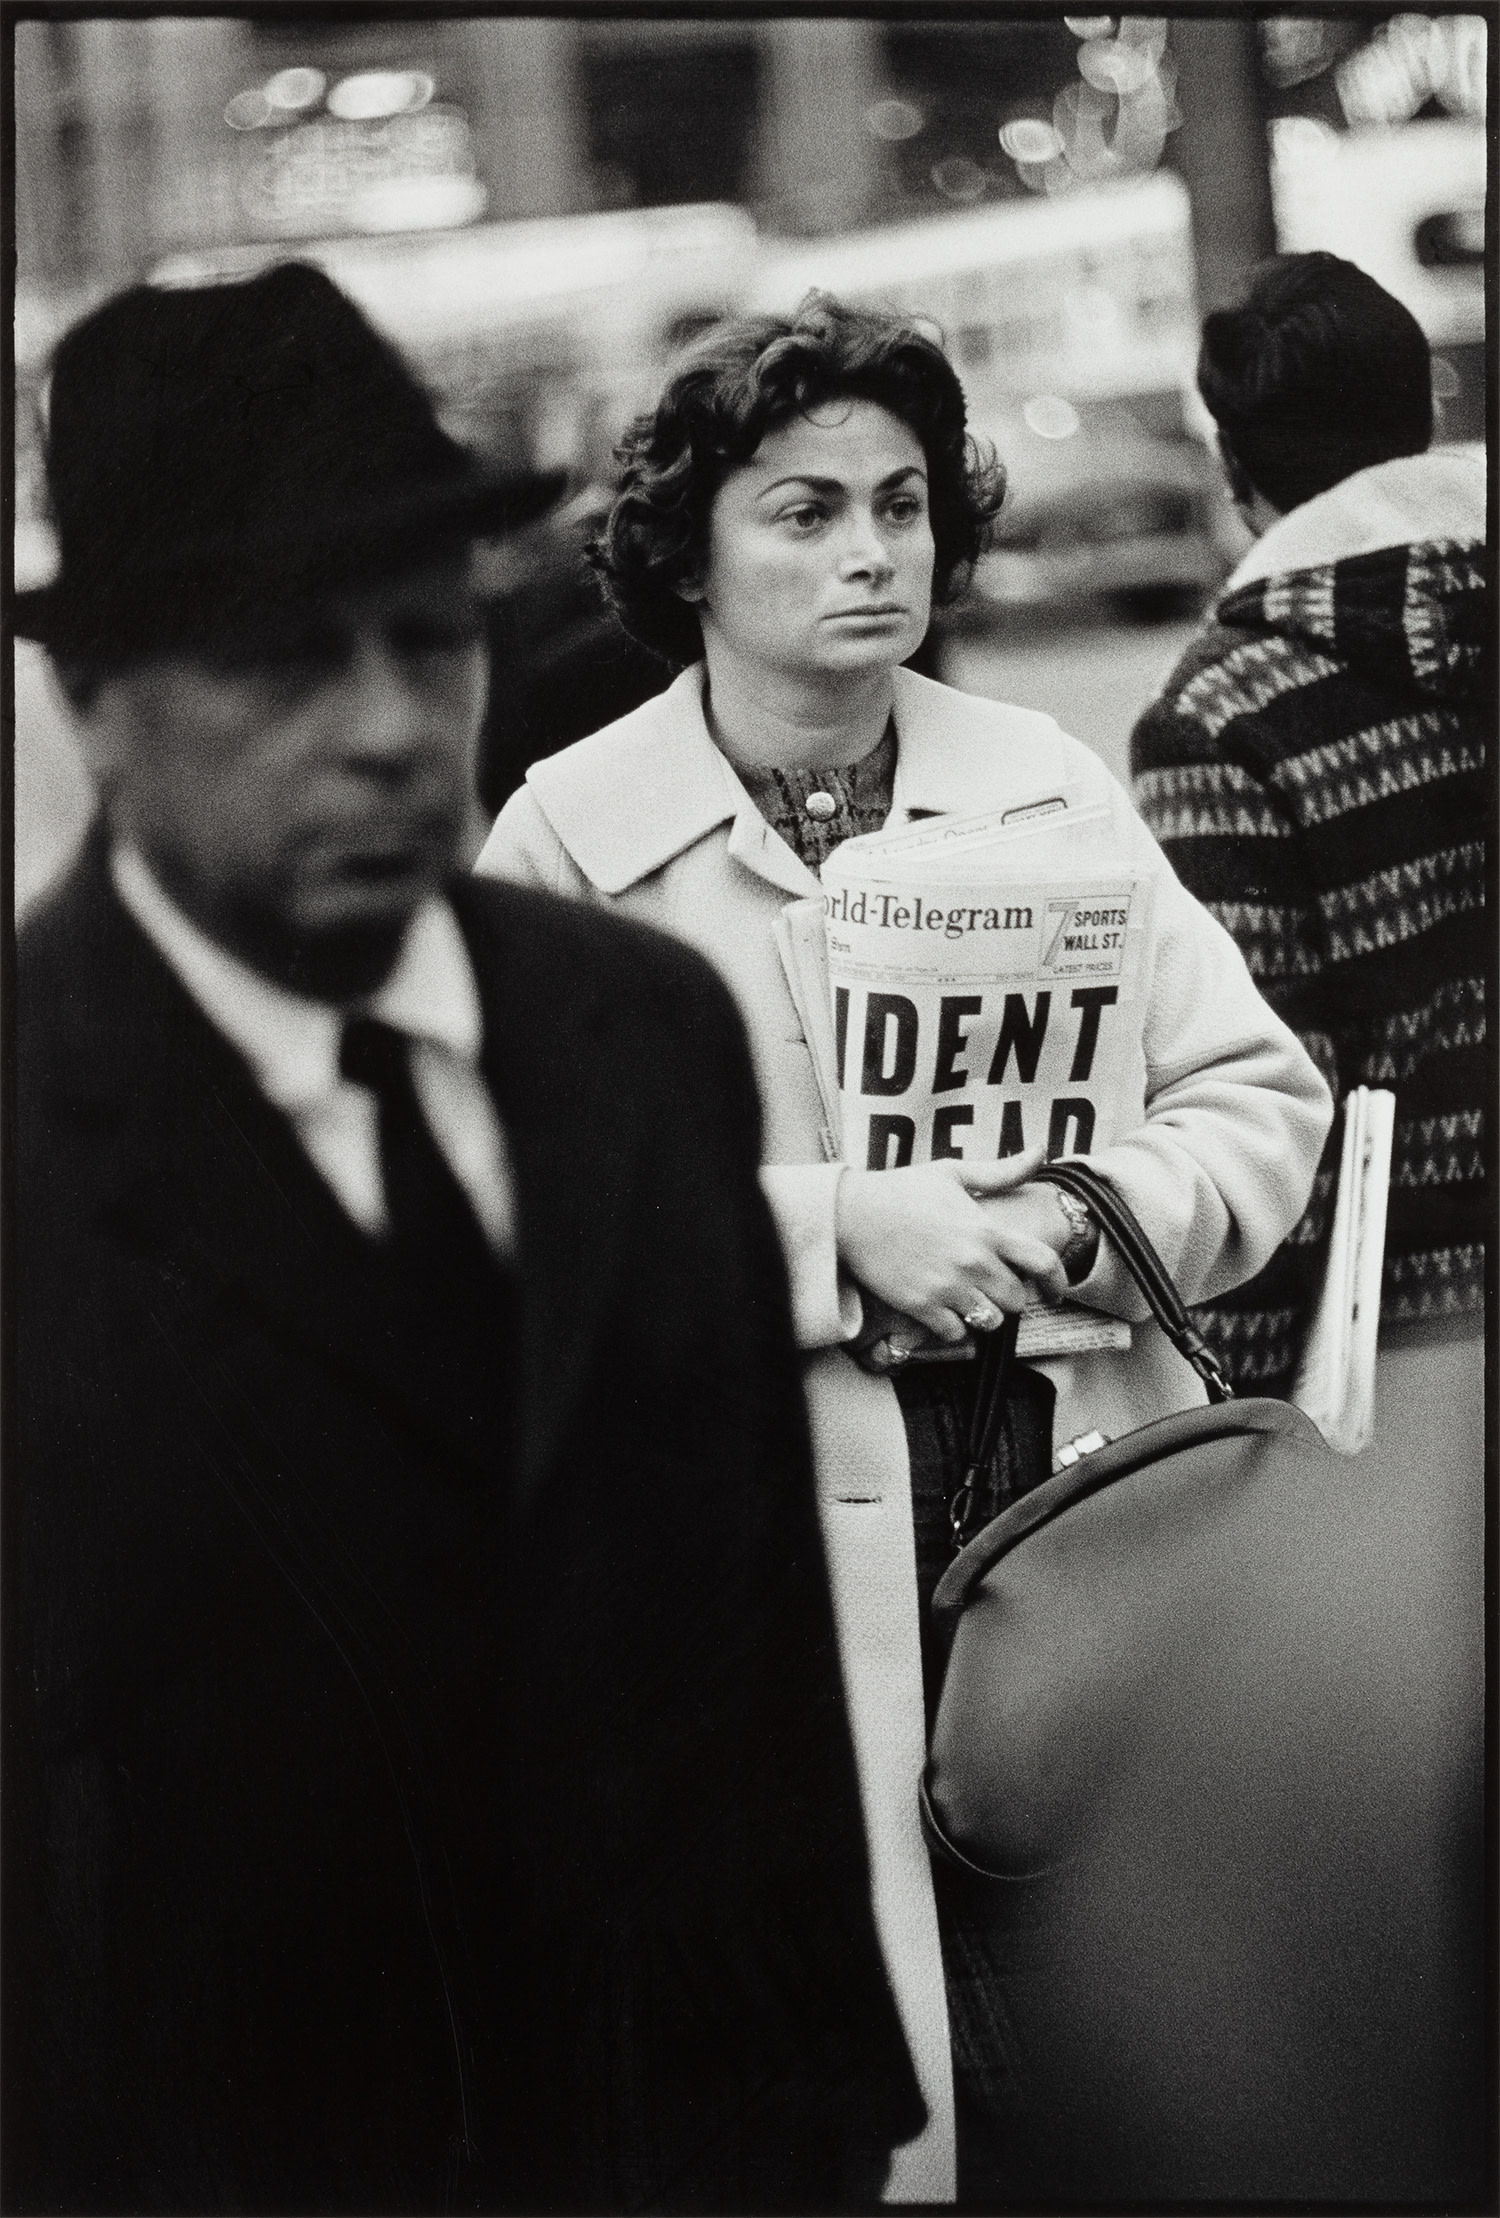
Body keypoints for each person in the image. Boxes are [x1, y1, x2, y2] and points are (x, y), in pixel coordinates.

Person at [5, 265, 925, 2213]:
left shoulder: (643, 1035)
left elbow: (757, 1674)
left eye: (430, 645)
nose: (388, 731)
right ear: (96, 702)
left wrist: (822, 2127)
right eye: (282, 664)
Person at [474, 292, 1333, 2200]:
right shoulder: (565, 838)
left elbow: (1258, 1106)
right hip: (747, 1580)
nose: (870, 552)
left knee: (1113, 2048)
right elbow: (493, 1214)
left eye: (902, 503)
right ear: (685, 545)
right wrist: (828, 1234)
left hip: (1069, 1518)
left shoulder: (1044, 778)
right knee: (837, 2090)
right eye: (801, 510)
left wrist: (1074, 1227)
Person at [1129, 254, 1486, 1460]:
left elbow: (1267, 1098)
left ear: (1235, 469)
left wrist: (1244, 1420)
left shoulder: (1224, 712)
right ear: (1427, 409)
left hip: (1421, 1355)